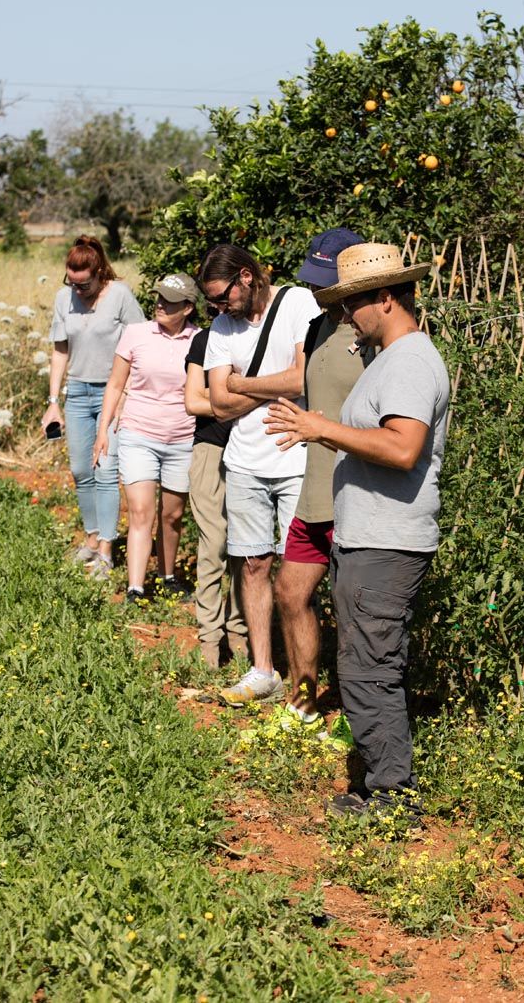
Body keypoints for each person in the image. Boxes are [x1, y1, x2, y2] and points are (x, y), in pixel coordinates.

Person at [265, 242, 449, 821]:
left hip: (388, 540)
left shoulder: (413, 361)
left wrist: (321, 428)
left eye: (355, 303)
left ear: (387, 298)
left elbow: (402, 447)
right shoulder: (390, 359)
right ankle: (381, 784)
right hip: (368, 535)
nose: (348, 315)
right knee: (367, 661)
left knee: (370, 666)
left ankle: (394, 796)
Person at [200, 243, 321, 705]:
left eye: (222, 296)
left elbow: (302, 378)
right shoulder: (219, 327)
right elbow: (218, 402)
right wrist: (258, 388)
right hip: (245, 460)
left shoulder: (297, 303)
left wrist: (242, 383)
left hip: (294, 457)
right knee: (253, 565)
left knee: (299, 574)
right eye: (212, 301)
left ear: (247, 277)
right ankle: (262, 670)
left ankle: (302, 679)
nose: (217, 306)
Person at [273, 228, 366, 737]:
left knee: (355, 613)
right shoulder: (316, 327)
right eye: (312, 279)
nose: (316, 290)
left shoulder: (375, 334)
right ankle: (302, 701)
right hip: (313, 490)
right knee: (290, 591)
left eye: (325, 282)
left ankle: (362, 721)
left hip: (355, 493)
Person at [42, 235, 144, 579]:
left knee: (104, 470)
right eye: (72, 282)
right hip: (78, 393)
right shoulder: (62, 298)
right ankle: (91, 536)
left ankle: (106, 550)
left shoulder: (120, 296)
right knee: (81, 470)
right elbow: (60, 351)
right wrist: (53, 402)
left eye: (84, 284)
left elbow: (140, 344)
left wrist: (128, 393)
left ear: (99, 272)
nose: (78, 290)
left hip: (112, 393)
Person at [94, 273, 200, 602]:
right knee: (141, 512)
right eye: (158, 298)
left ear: (187, 308)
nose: (159, 304)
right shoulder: (135, 334)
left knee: (172, 515)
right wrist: (104, 430)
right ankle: (135, 588)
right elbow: (114, 384)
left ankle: (167, 577)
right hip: (138, 434)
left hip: (183, 439)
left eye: (169, 300)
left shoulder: (200, 340)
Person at [184, 318, 249, 667]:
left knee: (249, 547)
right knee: (214, 543)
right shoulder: (205, 339)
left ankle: (239, 630)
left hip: (253, 450)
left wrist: (221, 395)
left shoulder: (263, 335)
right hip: (210, 447)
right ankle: (210, 637)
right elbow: (193, 401)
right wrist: (247, 396)